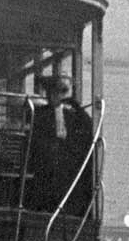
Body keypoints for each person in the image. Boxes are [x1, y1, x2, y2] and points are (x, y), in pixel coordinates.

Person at [28, 75, 94, 214]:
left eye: (61, 93)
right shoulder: (40, 114)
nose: (57, 97)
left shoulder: (76, 116)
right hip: (48, 163)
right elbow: (36, 141)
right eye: (55, 93)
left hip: (68, 163)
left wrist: (75, 106)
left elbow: (86, 133)